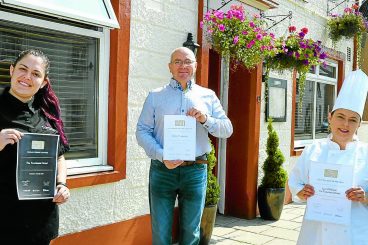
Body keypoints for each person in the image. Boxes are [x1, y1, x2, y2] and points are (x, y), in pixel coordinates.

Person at [136, 47, 232, 245]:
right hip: (163, 170)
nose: (183, 66)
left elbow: (227, 129)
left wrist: (206, 119)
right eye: (177, 61)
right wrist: (163, 155)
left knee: (191, 233)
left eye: (187, 61)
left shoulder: (208, 96)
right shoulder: (155, 96)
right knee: (161, 233)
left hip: (195, 171)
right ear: (170, 67)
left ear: (195, 66)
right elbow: (142, 131)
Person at [288, 69, 368, 245]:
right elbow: (295, 182)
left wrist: (365, 196)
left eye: (353, 119)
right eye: (340, 117)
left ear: (359, 124)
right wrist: (301, 192)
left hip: (355, 234)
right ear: (330, 117)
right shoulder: (313, 150)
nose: (346, 124)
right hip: (317, 232)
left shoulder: (366, 153)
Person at [0, 49, 70, 244]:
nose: (27, 77)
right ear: (12, 70)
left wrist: (62, 184)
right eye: (23, 69)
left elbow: (59, 156)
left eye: (36, 74)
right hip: (4, 221)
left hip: (40, 221)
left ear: (43, 83)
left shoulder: (48, 114)